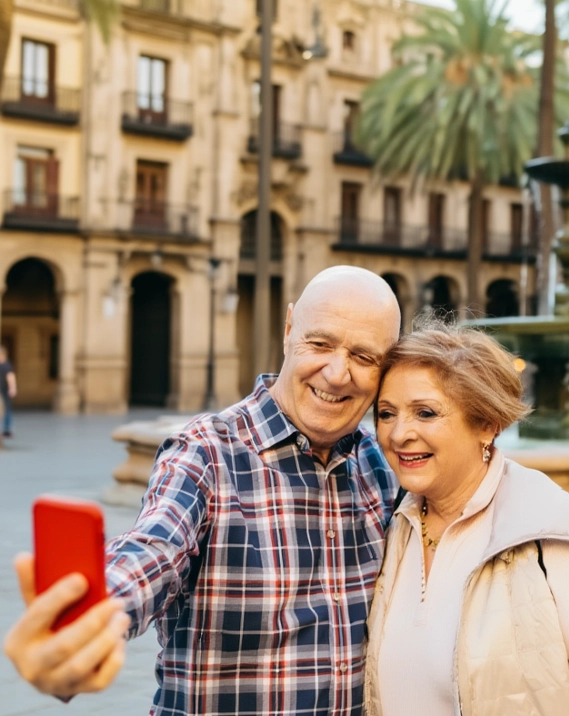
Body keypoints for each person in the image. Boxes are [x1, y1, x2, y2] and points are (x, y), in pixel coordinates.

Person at [3, 266, 401, 716]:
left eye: (364, 357)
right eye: (321, 343)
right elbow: (153, 549)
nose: (336, 373)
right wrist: (90, 624)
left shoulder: (380, 464)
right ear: (289, 329)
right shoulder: (205, 453)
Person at [365, 322, 569, 716]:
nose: (398, 434)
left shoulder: (556, 533)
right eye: (386, 413)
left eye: (426, 413)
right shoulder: (393, 525)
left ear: (487, 424)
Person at [0, 346, 17, 438]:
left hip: (6, 391)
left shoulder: (6, 365)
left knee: (7, 410)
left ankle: (7, 430)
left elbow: (11, 377)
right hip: (2, 391)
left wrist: (12, 388)